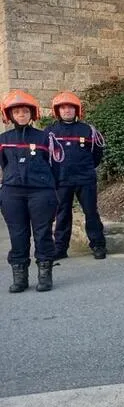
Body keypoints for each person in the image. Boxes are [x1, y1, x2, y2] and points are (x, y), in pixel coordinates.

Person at [0, 90, 61, 292]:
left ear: (32, 114)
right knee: (18, 234)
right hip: (12, 193)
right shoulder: (3, 139)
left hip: (40, 192)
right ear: (9, 115)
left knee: (42, 233)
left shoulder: (45, 138)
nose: (21, 115)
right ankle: (20, 278)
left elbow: (55, 166)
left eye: (25, 111)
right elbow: (3, 165)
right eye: (17, 112)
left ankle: (45, 275)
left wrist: (51, 188)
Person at [45, 91, 107, 260]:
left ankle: (98, 245)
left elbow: (97, 154)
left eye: (70, 108)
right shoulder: (50, 132)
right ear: (57, 111)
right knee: (62, 214)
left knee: (91, 212)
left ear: (77, 110)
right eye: (63, 108)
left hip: (85, 179)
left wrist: (87, 169)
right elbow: (45, 156)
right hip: (61, 179)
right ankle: (60, 248)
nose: (67, 111)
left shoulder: (87, 130)